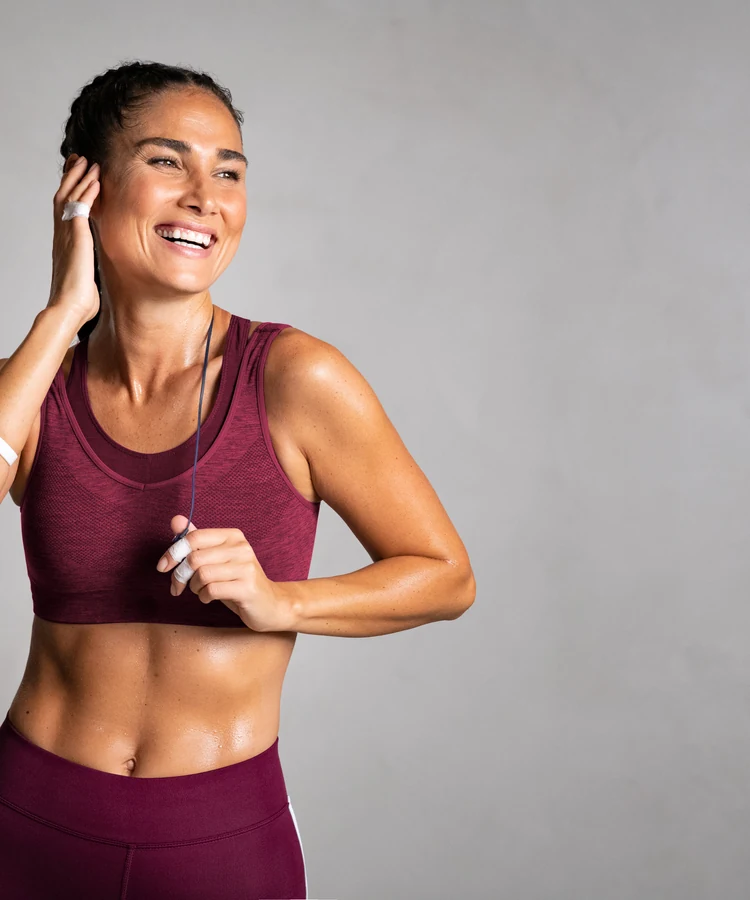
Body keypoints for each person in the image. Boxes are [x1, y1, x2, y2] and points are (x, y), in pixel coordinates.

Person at [0, 61, 476, 899]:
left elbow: (447, 577)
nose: (204, 197)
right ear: (86, 186)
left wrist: (278, 601)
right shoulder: (35, 389)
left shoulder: (293, 377)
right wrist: (62, 314)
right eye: (166, 161)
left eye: (228, 172)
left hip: (217, 836)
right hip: (26, 820)